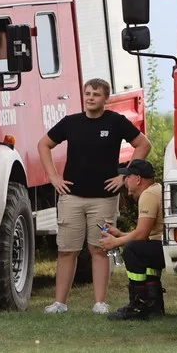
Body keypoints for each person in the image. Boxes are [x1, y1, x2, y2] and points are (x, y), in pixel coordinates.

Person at [37, 78, 151, 314]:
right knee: (67, 250)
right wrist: (54, 177)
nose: (90, 98)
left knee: (99, 249)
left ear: (106, 99)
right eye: (87, 93)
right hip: (71, 197)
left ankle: (100, 303)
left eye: (96, 94)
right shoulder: (71, 123)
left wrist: (125, 174)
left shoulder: (116, 122)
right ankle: (60, 303)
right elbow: (43, 144)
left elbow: (143, 144)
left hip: (104, 198)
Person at [100, 159, 165, 320]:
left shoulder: (148, 194)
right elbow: (145, 233)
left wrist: (115, 242)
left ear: (138, 179)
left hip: (164, 248)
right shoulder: (155, 189)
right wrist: (120, 234)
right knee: (139, 248)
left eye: (127, 177)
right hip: (164, 245)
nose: (125, 181)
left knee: (132, 250)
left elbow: (141, 235)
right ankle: (154, 304)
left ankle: (138, 305)